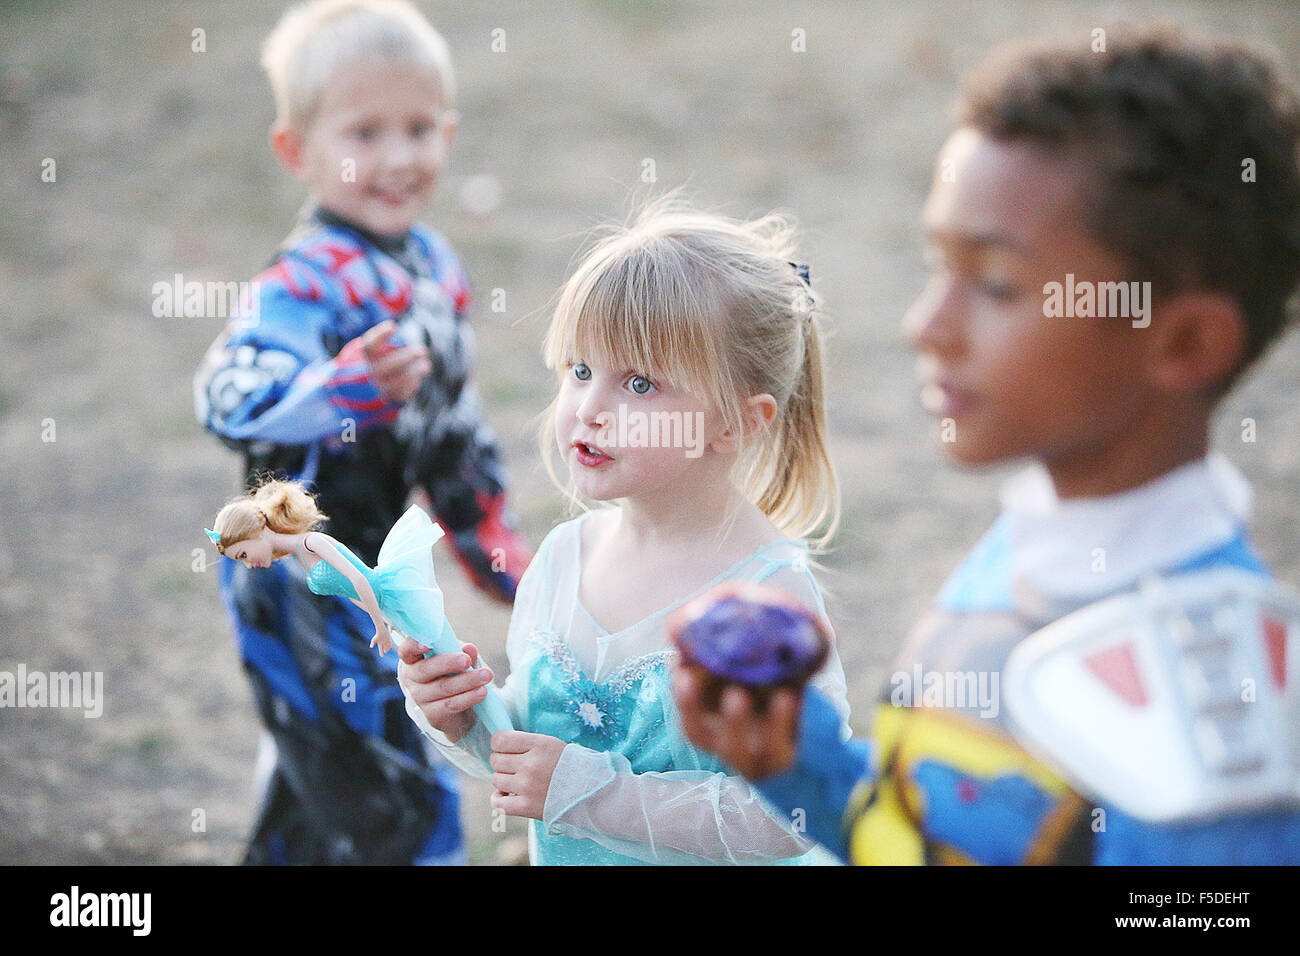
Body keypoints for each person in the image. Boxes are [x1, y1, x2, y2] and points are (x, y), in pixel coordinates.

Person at [673, 28, 1300, 865]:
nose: (926, 325)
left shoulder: (1217, 738)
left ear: (1182, 343)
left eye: (998, 284)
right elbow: (939, 832)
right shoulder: (1042, 544)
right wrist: (800, 768)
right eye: (940, 265)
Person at [399, 199, 853, 864]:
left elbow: (795, 813)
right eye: (580, 371)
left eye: (639, 383)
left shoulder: (767, 600)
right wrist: (462, 719)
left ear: (737, 423)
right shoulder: (563, 559)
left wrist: (596, 797)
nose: (589, 409)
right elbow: (528, 745)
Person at [193, 0, 531, 865]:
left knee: (320, 791)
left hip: (373, 574)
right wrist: (330, 389)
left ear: (448, 136)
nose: (395, 158)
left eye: (417, 128)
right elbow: (225, 392)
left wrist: (493, 548)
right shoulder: (303, 282)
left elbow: (451, 426)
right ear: (296, 151)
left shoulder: (435, 269)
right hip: (296, 576)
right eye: (364, 133)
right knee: (394, 795)